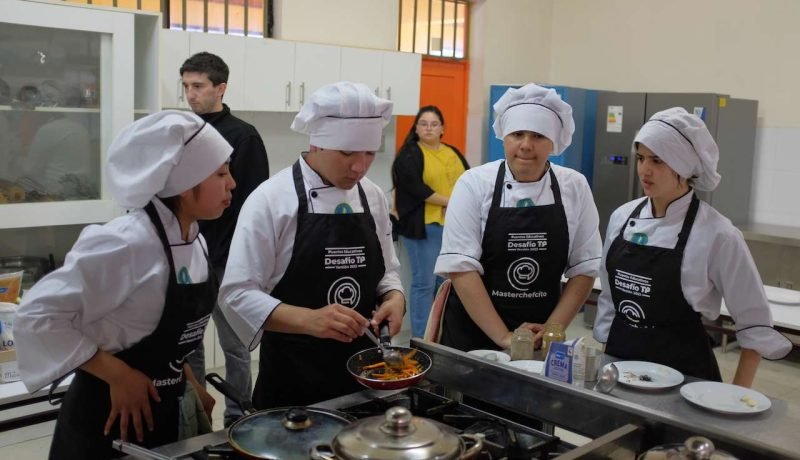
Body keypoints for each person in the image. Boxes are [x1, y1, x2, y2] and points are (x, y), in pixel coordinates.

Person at [14, 110, 236, 458]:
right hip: (106, 418)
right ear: (183, 181)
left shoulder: (194, 239)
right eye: (221, 173)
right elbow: (38, 315)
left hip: (163, 408)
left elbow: (170, 343)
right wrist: (119, 376)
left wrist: (190, 384)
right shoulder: (127, 243)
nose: (232, 183)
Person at [219, 81, 405, 409]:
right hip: (293, 381)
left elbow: (387, 270)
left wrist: (394, 296)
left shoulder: (372, 196)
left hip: (365, 376)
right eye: (347, 153)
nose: (360, 167)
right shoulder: (271, 199)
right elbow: (237, 293)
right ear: (316, 143)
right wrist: (310, 320)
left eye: (369, 153)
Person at [594, 107, 792, 385]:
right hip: (620, 360)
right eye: (641, 158)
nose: (644, 170)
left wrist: (733, 398)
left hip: (682, 372)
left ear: (684, 167)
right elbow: (609, 300)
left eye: (657, 160)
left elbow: (754, 322)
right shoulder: (622, 217)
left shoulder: (717, 234)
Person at [434, 83, 601, 352]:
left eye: (537, 136)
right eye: (517, 134)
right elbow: (461, 267)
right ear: (504, 137)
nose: (525, 145)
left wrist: (551, 330)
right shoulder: (474, 184)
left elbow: (584, 268)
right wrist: (504, 337)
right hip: (474, 334)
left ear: (553, 142)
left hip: (541, 336)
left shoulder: (575, 187)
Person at [180, 51, 269, 426]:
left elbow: (254, 204)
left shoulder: (242, 136)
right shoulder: (181, 130)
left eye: (198, 86)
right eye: (185, 86)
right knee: (190, 345)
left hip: (228, 259)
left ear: (221, 88)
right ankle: (198, 414)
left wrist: (237, 257)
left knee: (235, 347)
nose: (190, 95)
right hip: (186, 256)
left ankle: (238, 417)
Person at [392, 106, 469, 338]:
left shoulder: (452, 152)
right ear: (416, 128)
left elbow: (468, 180)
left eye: (434, 124)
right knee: (424, 283)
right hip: (423, 226)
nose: (428, 128)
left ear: (442, 128)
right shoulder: (409, 154)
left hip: (452, 226)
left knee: (443, 285)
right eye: (423, 123)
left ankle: (441, 334)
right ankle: (420, 339)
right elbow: (416, 189)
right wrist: (450, 202)